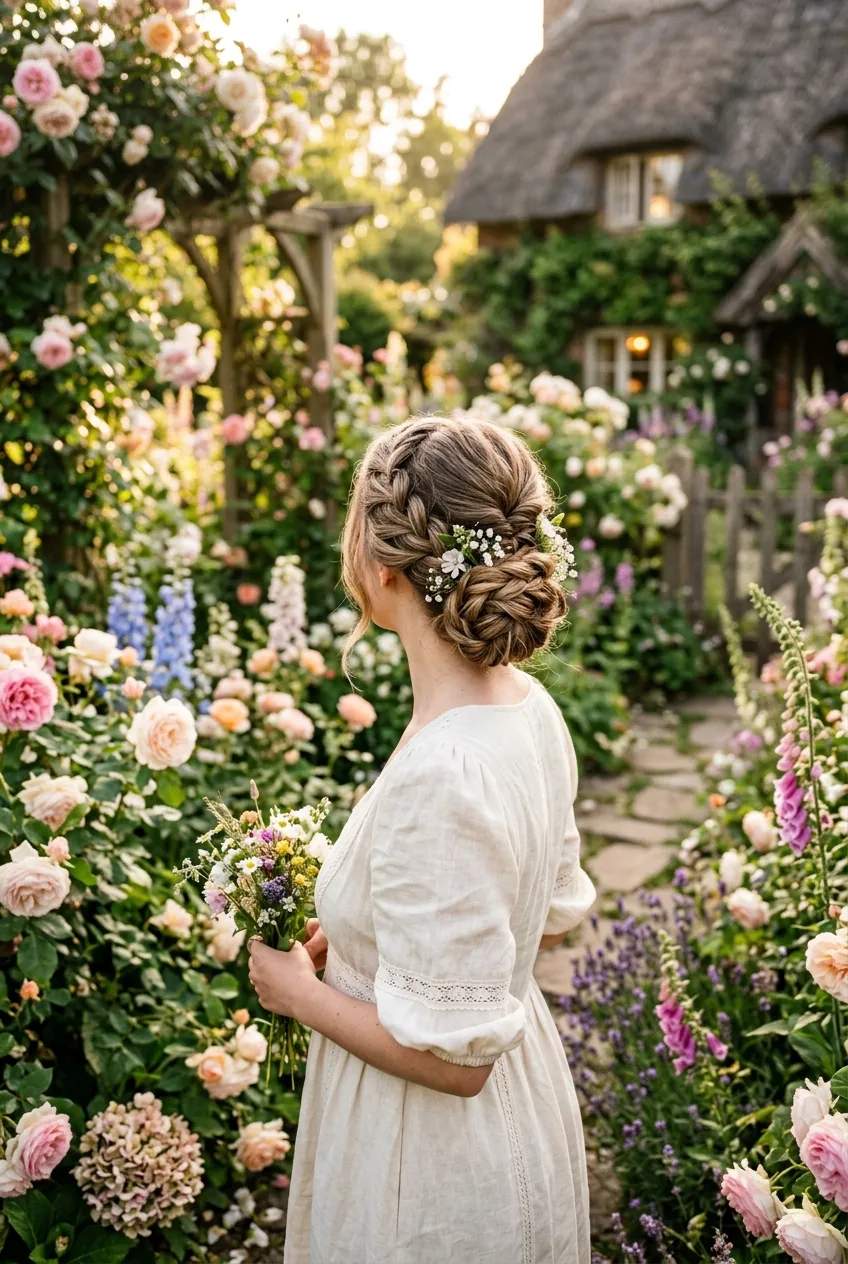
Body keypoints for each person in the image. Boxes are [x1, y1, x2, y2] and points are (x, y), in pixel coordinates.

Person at [248, 415, 596, 1264]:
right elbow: (547, 915)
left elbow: (456, 1065)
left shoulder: (446, 770)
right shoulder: (523, 707)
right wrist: (371, 945)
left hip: (432, 1161)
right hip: (522, 1098)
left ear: (384, 569)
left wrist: (297, 994)